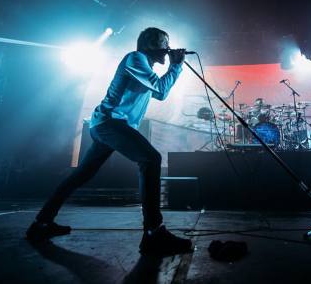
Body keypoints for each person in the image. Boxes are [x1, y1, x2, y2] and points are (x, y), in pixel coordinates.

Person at [26, 27, 193, 256]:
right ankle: (154, 233)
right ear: (151, 44)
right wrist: (176, 65)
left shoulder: (146, 68)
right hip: (110, 123)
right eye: (165, 43)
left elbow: (160, 93)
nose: (168, 48)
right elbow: (162, 88)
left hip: (110, 126)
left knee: (81, 175)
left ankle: (41, 224)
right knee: (151, 159)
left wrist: (175, 65)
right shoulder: (135, 58)